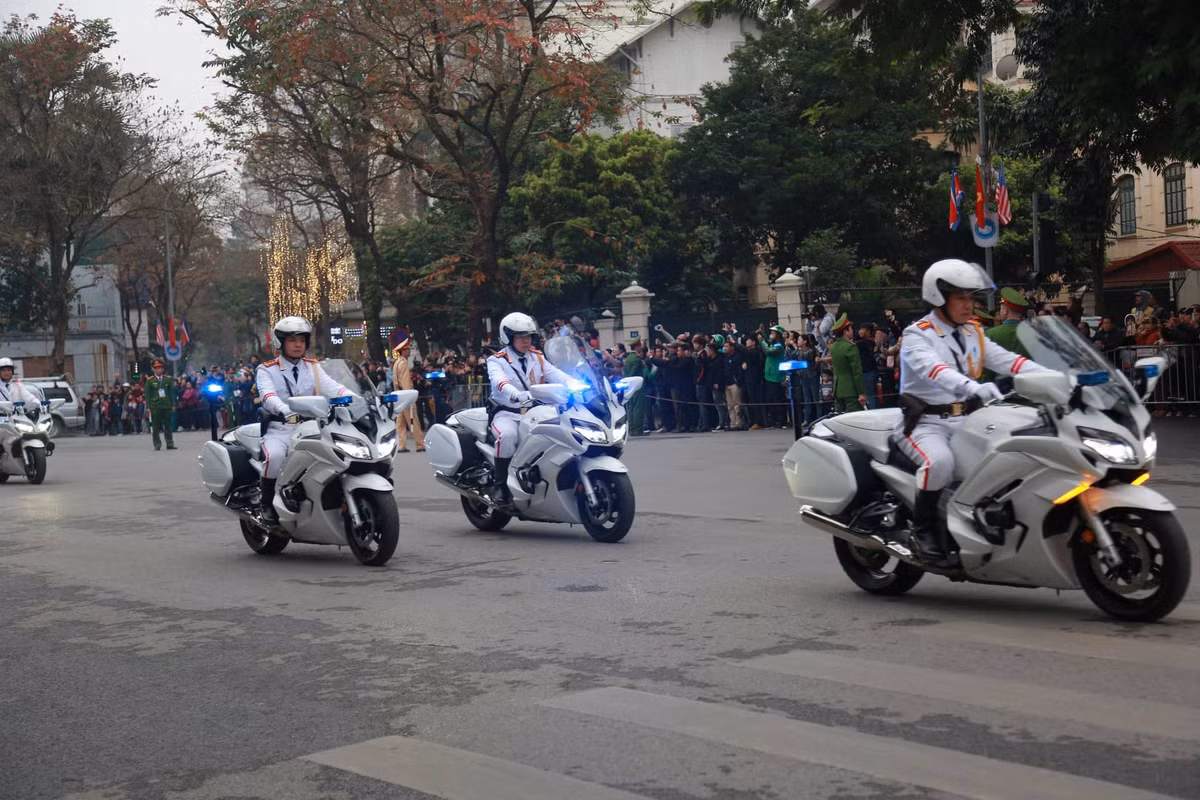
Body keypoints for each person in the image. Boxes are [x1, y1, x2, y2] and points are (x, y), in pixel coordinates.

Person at [896, 259, 1045, 567]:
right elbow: (934, 370)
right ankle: (922, 531)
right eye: (961, 298)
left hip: (967, 420)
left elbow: (1009, 361)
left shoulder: (972, 332)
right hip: (926, 423)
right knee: (940, 462)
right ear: (940, 297)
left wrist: (1054, 377)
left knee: (1009, 456)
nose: (969, 305)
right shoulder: (917, 335)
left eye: (972, 298)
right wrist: (972, 387)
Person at [255, 316, 357, 523]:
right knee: (274, 457)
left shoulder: (313, 367)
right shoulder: (267, 369)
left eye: (301, 340)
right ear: (280, 343)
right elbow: (268, 396)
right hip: (281, 428)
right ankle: (266, 503)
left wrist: (359, 400)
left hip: (312, 427)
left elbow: (334, 388)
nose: (298, 344)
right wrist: (285, 410)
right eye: (292, 340)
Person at [486, 312, 573, 506]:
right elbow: (499, 382)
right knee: (507, 436)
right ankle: (500, 486)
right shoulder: (497, 360)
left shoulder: (538, 358)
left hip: (536, 412)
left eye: (528, 336)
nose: (526, 341)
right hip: (507, 412)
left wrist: (580, 385)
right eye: (521, 337)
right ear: (508, 337)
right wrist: (514, 393)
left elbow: (558, 375)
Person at [391, 331, 425, 453]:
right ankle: (420, 444)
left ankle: (402, 444)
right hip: (406, 396)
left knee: (400, 423)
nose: (409, 351)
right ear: (403, 350)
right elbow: (405, 382)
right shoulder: (404, 364)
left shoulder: (396, 363)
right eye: (407, 349)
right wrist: (410, 397)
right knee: (413, 420)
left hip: (398, 396)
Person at [828, 315, 866, 412]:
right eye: (850, 329)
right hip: (850, 390)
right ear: (845, 332)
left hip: (837, 389)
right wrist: (861, 392)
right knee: (853, 421)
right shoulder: (850, 347)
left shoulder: (833, 347)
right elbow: (856, 372)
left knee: (840, 420)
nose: (852, 331)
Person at [143, 361, 177, 450]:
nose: (158, 370)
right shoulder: (150, 380)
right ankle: (157, 444)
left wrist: (173, 404)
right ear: (153, 369)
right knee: (155, 427)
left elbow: (171, 393)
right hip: (155, 406)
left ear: (162, 369)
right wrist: (148, 407)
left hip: (166, 405)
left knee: (168, 425)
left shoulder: (167, 379)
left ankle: (170, 443)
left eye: (160, 368)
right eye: (156, 368)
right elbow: (147, 395)